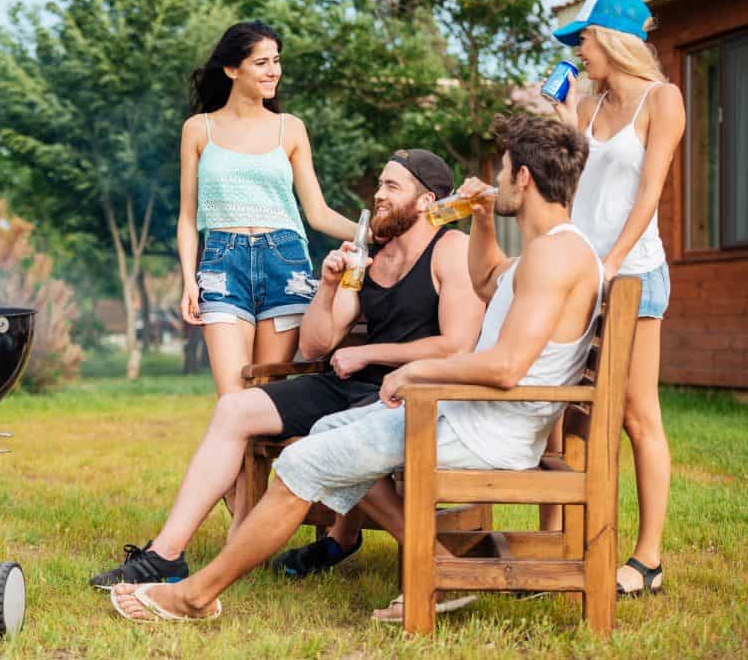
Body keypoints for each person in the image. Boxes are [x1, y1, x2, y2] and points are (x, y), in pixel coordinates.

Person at [107, 113, 600, 624]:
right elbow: (488, 277)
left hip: (482, 428)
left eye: (502, 173)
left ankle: (194, 595)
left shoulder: (553, 257)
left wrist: (415, 374)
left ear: (523, 178)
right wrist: (477, 216)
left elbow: (506, 366)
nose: (496, 183)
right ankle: (431, 568)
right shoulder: (546, 253)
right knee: (328, 432)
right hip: (470, 416)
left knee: (302, 462)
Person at [90, 149, 485, 589]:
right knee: (233, 410)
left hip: (409, 392)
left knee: (338, 437)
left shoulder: (453, 250)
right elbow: (316, 343)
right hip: (351, 385)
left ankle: (406, 551)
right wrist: (329, 285)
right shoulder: (372, 256)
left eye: (392, 187)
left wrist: (369, 354)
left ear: (427, 200)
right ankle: (166, 554)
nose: (378, 196)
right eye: (379, 185)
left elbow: (455, 346)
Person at [551, 0, 685, 597]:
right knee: (572, 409)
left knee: (635, 414)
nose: (577, 51)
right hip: (584, 273)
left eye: (583, 39)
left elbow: (649, 192)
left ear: (610, 39)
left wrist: (609, 261)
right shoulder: (590, 103)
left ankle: (648, 558)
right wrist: (562, 118)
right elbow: (568, 184)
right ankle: (566, 542)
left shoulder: (664, 100)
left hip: (633, 273)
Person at [178, 21, 361, 397]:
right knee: (233, 399)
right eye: (261, 63)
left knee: (265, 398)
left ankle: (264, 460)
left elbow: (319, 213)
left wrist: (372, 233)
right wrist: (187, 281)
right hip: (221, 265)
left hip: (285, 265)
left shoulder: (290, 129)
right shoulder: (199, 129)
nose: (273, 71)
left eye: (276, 61)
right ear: (232, 69)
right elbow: (187, 217)